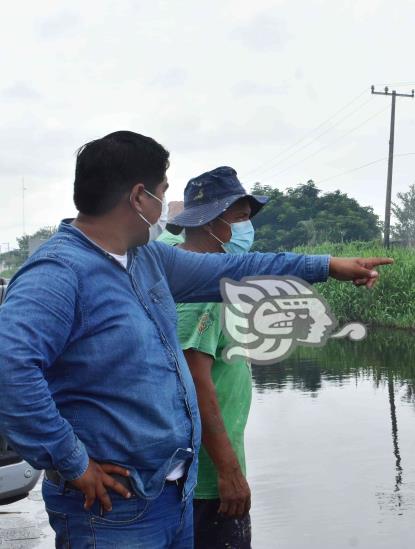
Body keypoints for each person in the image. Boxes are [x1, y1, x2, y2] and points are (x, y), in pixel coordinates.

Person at [0, 131, 392, 548]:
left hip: (171, 496)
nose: (164, 207)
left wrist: (327, 265)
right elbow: (10, 367)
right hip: (114, 512)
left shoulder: (145, 259)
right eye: (162, 192)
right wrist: (73, 463)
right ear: (138, 197)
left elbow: (238, 269)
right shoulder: (60, 272)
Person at [160, 167, 263, 548]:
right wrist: (229, 471)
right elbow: (195, 382)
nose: (246, 227)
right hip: (205, 480)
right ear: (210, 222)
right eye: (239, 218)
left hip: (205, 472)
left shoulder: (196, 271)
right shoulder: (200, 290)